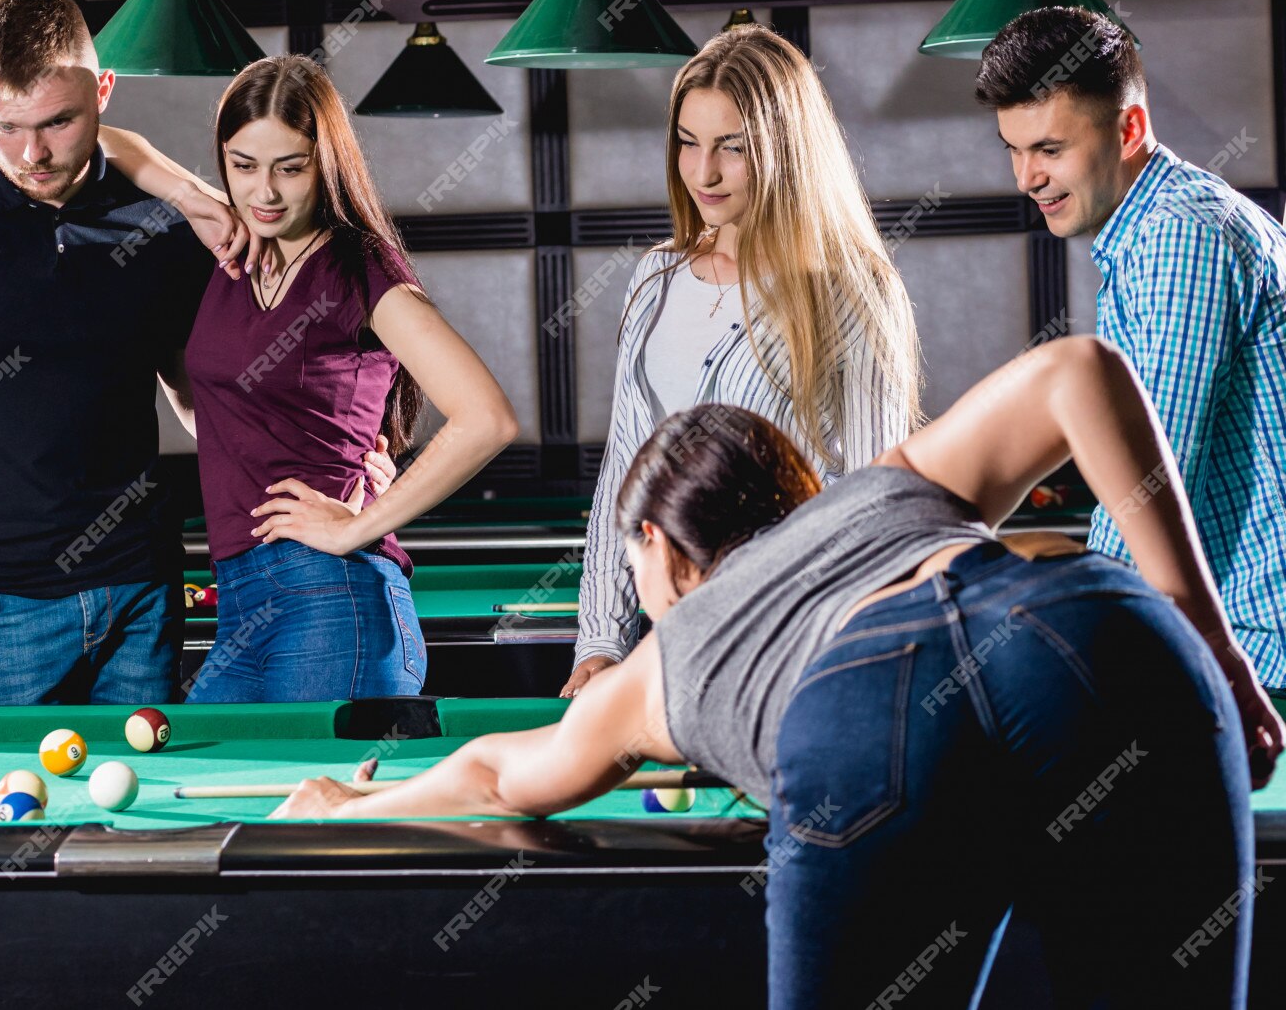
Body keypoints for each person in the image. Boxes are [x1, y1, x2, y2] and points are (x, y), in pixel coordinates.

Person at [274, 336, 1282, 1008]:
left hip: (862, 696)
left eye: (637, 572)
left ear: (661, 548)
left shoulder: (665, 655)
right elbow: (1078, 370)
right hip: (1093, 624)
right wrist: (1217, 652)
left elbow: (498, 775)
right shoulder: (886, 486)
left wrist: (340, 805)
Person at [0, 0, 386, 710]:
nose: (33, 152)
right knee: (6, 816)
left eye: (60, 121)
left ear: (103, 91)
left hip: (144, 592)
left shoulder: (161, 227)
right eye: (5, 125)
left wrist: (330, 461)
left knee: (146, 822)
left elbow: (206, 399)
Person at [565, 23, 922, 696]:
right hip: (669, 644)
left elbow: (881, 494)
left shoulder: (853, 289)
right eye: (688, 143)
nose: (704, 172)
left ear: (786, 148)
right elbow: (623, 465)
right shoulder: (656, 278)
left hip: (798, 638)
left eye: (733, 148)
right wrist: (602, 639)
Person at [166, 55, 518, 701]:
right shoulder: (234, 259)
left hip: (335, 599)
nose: (264, 192)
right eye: (243, 166)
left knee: (314, 803)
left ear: (324, 163)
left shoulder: (358, 265)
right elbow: (221, 422)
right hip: (240, 609)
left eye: (289, 168)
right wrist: (189, 195)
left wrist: (357, 526)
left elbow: (487, 417)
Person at [979, 5, 1286, 693]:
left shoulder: (1181, 238)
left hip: (1263, 655)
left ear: (1130, 129)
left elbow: (1149, 482)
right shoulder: (1153, 232)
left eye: (1050, 150)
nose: (1025, 178)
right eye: (1013, 148)